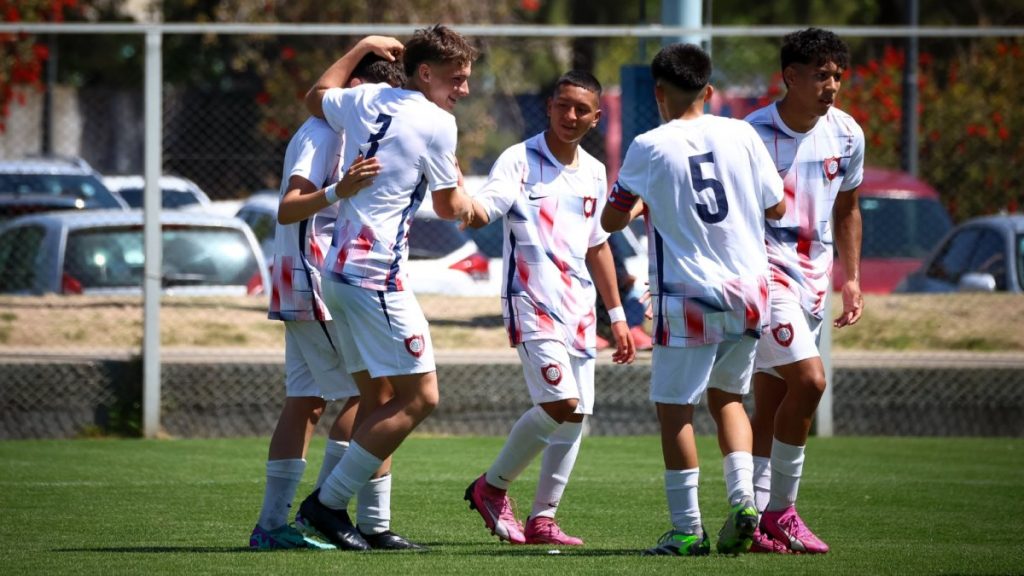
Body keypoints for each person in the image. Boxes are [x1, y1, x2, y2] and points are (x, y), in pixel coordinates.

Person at [293, 26, 479, 551]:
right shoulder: (439, 122)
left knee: (377, 400)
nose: (463, 89)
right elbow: (448, 207)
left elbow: (313, 98)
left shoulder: (366, 96)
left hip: (337, 274)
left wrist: (361, 48)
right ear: (424, 73)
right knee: (421, 397)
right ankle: (326, 505)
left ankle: (374, 525)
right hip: (376, 277)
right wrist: (468, 202)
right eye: (456, 79)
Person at [601, 43, 785, 557]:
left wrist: (644, 203)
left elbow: (611, 221)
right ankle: (744, 500)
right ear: (709, 91)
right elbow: (778, 204)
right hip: (750, 289)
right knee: (728, 398)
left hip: (690, 292)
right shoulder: (743, 132)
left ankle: (686, 529)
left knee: (674, 407)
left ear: (658, 93)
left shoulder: (650, 145)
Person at [249, 51, 416, 551]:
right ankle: (339, 515)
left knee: (305, 401)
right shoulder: (323, 132)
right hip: (311, 275)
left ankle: (273, 526)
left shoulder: (349, 132)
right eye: (370, 97)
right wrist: (338, 190)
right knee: (379, 393)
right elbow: (287, 208)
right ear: (354, 87)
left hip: (305, 274)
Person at [461, 71, 636, 546]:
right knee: (560, 404)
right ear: (550, 106)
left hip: (580, 309)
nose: (570, 116)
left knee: (575, 415)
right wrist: (463, 203)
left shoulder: (596, 172)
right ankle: (491, 488)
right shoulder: (518, 159)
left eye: (581, 109)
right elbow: (487, 206)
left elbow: (599, 245)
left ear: (596, 117)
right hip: (530, 301)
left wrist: (617, 316)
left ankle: (543, 518)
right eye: (563, 106)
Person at [744, 27, 865, 555]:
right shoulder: (750, 136)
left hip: (814, 281)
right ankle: (781, 512)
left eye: (837, 75)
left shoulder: (847, 134)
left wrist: (852, 277)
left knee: (773, 399)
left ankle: (750, 515)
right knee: (811, 382)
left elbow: (848, 207)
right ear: (789, 77)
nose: (832, 85)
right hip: (765, 278)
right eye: (820, 75)